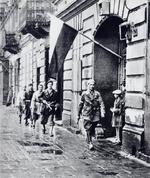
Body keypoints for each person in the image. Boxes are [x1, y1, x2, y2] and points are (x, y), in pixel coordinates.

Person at [77, 79, 105, 150]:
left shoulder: (97, 94)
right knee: (88, 128)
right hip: (87, 113)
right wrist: (78, 114)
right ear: (88, 85)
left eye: (93, 84)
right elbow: (80, 104)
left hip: (95, 113)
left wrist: (102, 111)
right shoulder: (84, 94)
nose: (92, 86)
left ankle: (88, 137)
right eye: (91, 85)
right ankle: (90, 143)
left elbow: (101, 103)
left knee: (93, 126)